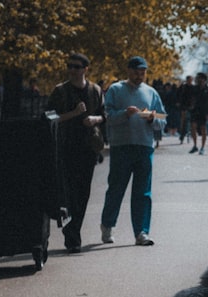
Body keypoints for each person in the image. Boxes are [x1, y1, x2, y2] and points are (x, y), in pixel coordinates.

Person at [99, 56, 166, 247]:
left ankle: (141, 232)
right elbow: (108, 117)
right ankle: (107, 225)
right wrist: (124, 114)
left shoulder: (151, 92)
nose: (139, 75)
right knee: (116, 188)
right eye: (136, 72)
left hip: (144, 147)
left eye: (143, 72)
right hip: (122, 147)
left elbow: (163, 119)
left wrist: (153, 119)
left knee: (143, 192)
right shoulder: (116, 89)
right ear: (128, 71)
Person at [48, 52, 105, 253]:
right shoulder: (60, 91)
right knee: (68, 193)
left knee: (82, 193)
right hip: (65, 148)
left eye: (76, 67)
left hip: (88, 148)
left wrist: (94, 120)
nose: (72, 70)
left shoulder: (95, 90)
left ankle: (75, 231)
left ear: (85, 69)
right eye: (69, 66)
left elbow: (104, 116)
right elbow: (49, 118)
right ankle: (72, 238)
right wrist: (73, 114)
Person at [188, 72, 208, 155]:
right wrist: (191, 105)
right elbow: (191, 98)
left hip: (204, 112)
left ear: (203, 79)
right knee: (193, 127)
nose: (198, 79)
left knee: (203, 128)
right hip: (195, 111)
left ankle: (202, 147)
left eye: (199, 78)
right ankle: (195, 145)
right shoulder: (194, 88)